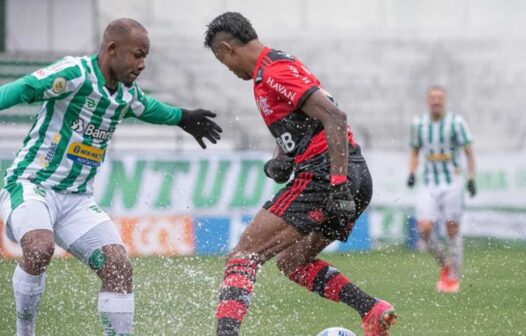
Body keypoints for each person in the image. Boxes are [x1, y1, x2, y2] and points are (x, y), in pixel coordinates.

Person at [0, 18, 222, 336]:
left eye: (145, 56)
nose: (143, 64)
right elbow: (23, 88)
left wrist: (183, 117)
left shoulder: (126, 95)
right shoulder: (74, 73)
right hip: (32, 185)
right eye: (138, 55)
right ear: (113, 49)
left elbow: (150, 107)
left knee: (118, 266)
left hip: (77, 200)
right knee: (38, 248)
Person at [204, 12, 396, 336]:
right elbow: (309, 123)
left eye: (224, 62)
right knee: (292, 263)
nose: (230, 70)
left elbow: (335, 117)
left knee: (244, 255)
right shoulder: (277, 68)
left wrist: (336, 185)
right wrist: (283, 157)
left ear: (228, 49)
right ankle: (370, 309)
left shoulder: (273, 70)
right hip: (353, 174)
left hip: (328, 175)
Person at [407, 85, 476, 293]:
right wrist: (411, 172)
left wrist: (471, 177)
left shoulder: (456, 123)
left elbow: (469, 151)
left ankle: (453, 276)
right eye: (433, 98)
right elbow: (415, 151)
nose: (436, 101)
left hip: (452, 182)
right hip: (429, 182)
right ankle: (445, 263)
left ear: (444, 101)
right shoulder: (419, 125)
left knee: (452, 228)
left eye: (439, 98)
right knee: (425, 228)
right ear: (428, 101)